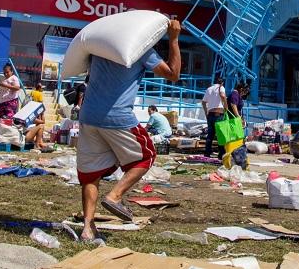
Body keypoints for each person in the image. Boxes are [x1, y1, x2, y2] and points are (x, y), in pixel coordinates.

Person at [77, 20, 181, 242]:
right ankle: (114, 196)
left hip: (88, 116)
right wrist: (173, 38)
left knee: (90, 174)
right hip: (117, 116)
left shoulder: (98, 47)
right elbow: (173, 74)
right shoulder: (141, 49)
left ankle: (87, 228)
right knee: (147, 155)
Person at [202, 77, 227, 158]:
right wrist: (225, 105)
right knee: (220, 135)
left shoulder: (209, 89)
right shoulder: (221, 87)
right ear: (222, 83)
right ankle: (221, 154)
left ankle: (207, 153)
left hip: (210, 114)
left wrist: (206, 112)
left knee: (210, 135)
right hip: (218, 114)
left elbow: (203, 102)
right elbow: (223, 96)